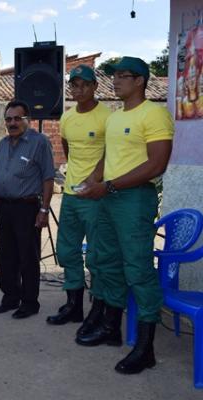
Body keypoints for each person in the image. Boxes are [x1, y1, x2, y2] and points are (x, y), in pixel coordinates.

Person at [75, 57, 174, 375]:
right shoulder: (117, 117)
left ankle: (145, 348)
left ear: (141, 80)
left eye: (122, 76)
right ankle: (111, 328)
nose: (115, 81)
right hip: (109, 196)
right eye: (113, 76)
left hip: (134, 199)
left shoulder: (154, 113)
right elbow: (110, 154)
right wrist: (93, 179)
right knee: (105, 261)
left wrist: (109, 186)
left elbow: (157, 164)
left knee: (138, 268)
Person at [46, 65, 111, 330]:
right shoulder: (67, 117)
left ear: (95, 86)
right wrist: (75, 177)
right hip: (71, 195)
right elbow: (67, 147)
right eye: (74, 85)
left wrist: (94, 179)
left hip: (95, 195)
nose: (79, 89)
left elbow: (112, 153)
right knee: (66, 250)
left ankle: (99, 308)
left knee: (97, 255)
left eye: (85, 84)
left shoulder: (107, 116)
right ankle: (74, 305)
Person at [0, 100, 55, 319]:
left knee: (27, 257)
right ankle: (10, 297)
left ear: (27, 119)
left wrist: (44, 210)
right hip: (5, 208)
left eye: (17, 118)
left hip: (27, 207)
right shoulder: (2, 144)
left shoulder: (40, 142)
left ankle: (29, 302)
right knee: (6, 256)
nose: (12, 123)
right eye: (8, 119)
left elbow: (48, 178)